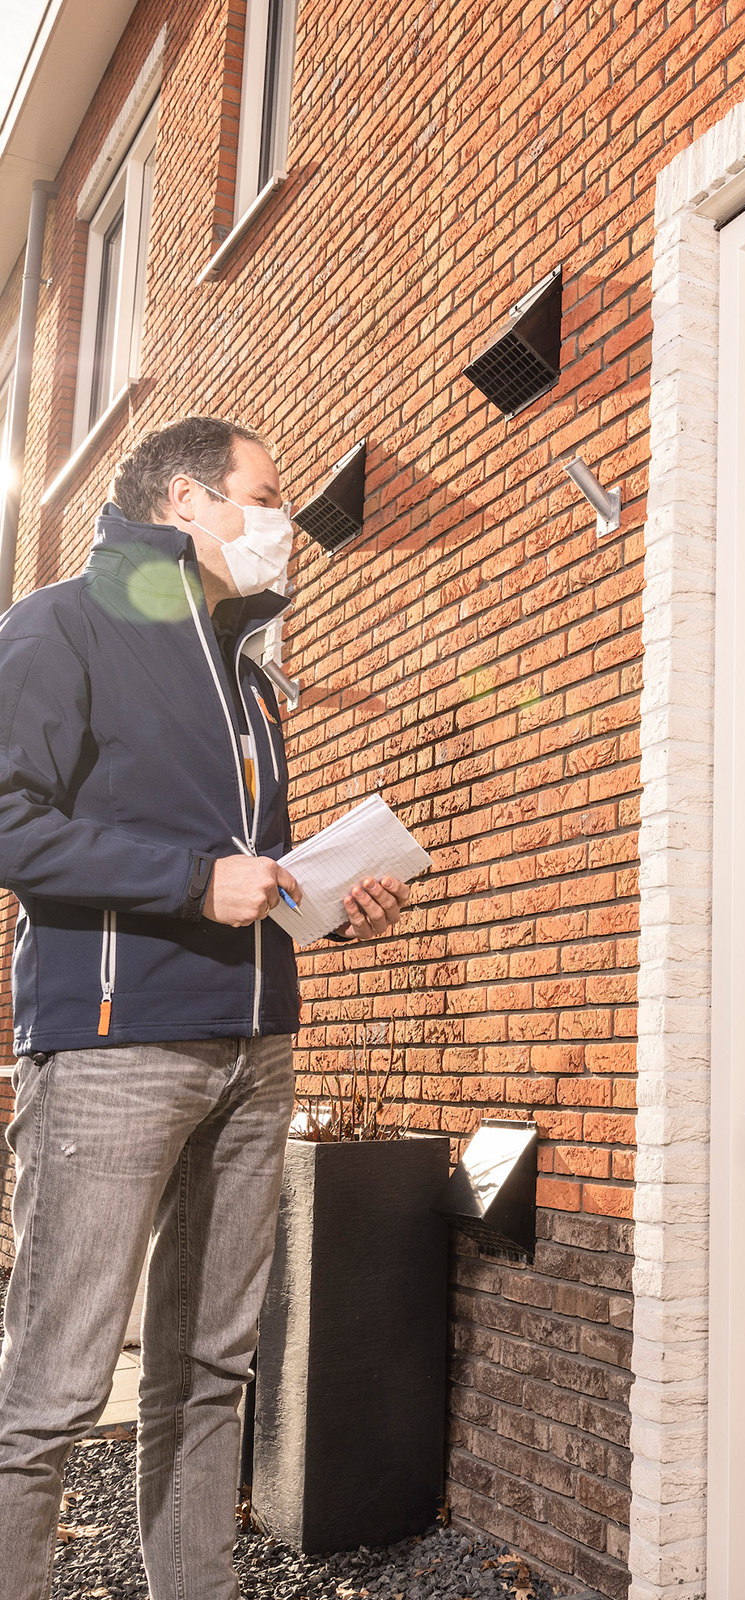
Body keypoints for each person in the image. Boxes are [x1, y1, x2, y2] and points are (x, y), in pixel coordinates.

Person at [0, 416, 410, 1600]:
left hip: (255, 1047)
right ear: (184, 501)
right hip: (115, 1048)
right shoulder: (59, 625)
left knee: (211, 1370)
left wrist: (322, 897)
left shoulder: (242, 670)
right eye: (266, 494)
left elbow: (244, 871)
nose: (283, 520)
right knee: (55, 1390)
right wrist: (192, 880)